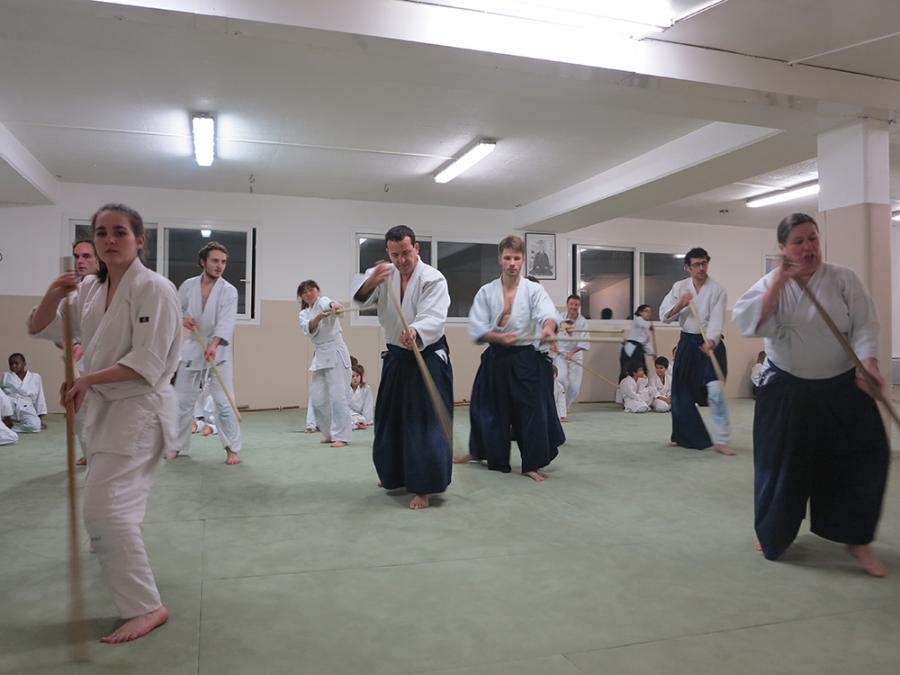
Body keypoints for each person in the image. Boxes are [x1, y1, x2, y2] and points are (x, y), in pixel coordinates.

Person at [29, 203, 180, 642]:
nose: (109, 240)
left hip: (139, 409)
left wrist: (86, 379)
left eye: (120, 232)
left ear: (140, 240)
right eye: (101, 233)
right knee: (113, 507)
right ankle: (116, 544)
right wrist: (53, 294)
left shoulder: (155, 289)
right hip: (104, 410)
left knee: (104, 509)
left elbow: (148, 362)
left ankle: (146, 607)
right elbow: (41, 327)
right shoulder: (91, 290)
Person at [733, 212, 889, 577]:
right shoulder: (770, 283)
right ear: (783, 248)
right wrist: (779, 281)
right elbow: (749, 323)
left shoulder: (843, 279)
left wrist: (868, 363)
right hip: (788, 388)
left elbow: (865, 324)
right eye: (799, 241)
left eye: (813, 238)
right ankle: (774, 535)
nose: (809, 247)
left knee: (866, 456)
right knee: (781, 466)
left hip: (842, 386)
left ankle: (856, 539)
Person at [351, 225, 453, 510]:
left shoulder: (433, 278)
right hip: (397, 355)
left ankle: (424, 487)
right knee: (389, 419)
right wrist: (372, 281)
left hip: (426, 354)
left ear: (416, 248)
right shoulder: (385, 274)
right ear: (388, 252)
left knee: (424, 423)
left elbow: (435, 316)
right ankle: (393, 474)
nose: (401, 260)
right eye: (395, 255)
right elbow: (360, 298)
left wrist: (417, 330)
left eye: (406, 253)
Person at [454, 235, 563, 481]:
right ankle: (483, 453)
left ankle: (531, 464)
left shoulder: (534, 290)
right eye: (507, 258)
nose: (512, 263)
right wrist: (498, 337)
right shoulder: (487, 291)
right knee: (486, 409)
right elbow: (477, 327)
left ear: (523, 260)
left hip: (524, 358)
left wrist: (548, 328)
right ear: (500, 259)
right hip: (495, 356)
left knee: (531, 411)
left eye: (516, 258)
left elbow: (548, 313)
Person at [659, 247, 734, 455]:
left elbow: (717, 320)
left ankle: (721, 440)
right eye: (697, 264)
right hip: (687, 343)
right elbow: (664, 316)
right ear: (688, 267)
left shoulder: (717, 290)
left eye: (704, 263)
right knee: (680, 392)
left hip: (711, 344)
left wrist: (711, 340)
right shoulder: (679, 287)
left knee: (716, 391)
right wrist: (680, 304)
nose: (701, 268)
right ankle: (680, 435)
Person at [173, 241, 242, 465]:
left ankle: (232, 449)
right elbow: (175, 309)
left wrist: (214, 344)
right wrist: (183, 319)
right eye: (215, 261)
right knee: (182, 400)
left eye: (223, 262)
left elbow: (227, 321)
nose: (219, 266)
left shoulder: (229, 291)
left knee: (223, 403)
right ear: (203, 261)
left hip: (219, 351)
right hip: (195, 346)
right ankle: (175, 445)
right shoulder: (188, 286)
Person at [298, 280, 352, 448]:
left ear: (317, 290)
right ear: (301, 296)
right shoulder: (304, 313)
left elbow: (330, 303)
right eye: (304, 292)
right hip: (320, 354)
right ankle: (328, 433)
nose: (308, 294)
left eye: (311, 290)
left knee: (338, 396)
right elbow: (309, 328)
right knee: (318, 398)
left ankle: (342, 436)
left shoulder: (323, 301)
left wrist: (334, 306)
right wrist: (319, 317)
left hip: (335, 351)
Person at [71, 238, 102, 464]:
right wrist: (73, 344)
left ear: (99, 260)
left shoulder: (109, 287)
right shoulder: (74, 290)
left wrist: (88, 343)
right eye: (77, 256)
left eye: (86, 256)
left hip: (107, 362)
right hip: (81, 363)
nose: (80, 261)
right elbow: (64, 327)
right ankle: (89, 453)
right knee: (79, 409)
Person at [555, 294, 590, 415]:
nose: (573, 307)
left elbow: (584, 342)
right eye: (571, 304)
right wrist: (553, 345)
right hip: (561, 354)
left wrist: (571, 353)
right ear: (567, 305)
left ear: (579, 306)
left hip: (576, 354)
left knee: (575, 387)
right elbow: (553, 332)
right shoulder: (560, 317)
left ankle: (565, 406)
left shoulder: (583, 322)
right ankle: (560, 407)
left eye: (576, 305)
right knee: (561, 379)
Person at [1, 353, 47, 432]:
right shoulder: (6, 376)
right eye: (11, 364)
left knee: (35, 426)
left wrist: (39, 418)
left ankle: (11, 428)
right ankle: (6, 422)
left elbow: (40, 396)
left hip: (26, 406)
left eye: (16, 363)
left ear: (24, 363)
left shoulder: (35, 377)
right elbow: (1, 395)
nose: (13, 366)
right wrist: (5, 414)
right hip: (10, 405)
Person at [619, 304, 655, 380]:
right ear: (640, 312)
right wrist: (650, 325)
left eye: (650, 312)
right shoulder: (638, 320)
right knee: (628, 371)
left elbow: (644, 343)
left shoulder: (644, 329)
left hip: (637, 350)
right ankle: (625, 386)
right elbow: (642, 323)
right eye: (646, 311)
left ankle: (640, 387)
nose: (649, 313)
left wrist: (652, 353)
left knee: (643, 371)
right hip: (631, 350)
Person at [349, 363, 375, 429]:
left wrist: (363, 420)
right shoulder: (346, 389)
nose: (355, 378)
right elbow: (345, 408)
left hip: (364, 419)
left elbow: (368, 408)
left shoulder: (366, 389)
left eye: (357, 376)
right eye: (352, 376)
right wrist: (355, 420)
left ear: (361, 377)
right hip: (350, 418)